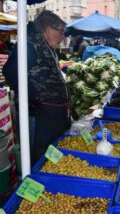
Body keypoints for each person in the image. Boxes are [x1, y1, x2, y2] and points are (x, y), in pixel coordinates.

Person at [3, 10, 71, 164]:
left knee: (50, 156)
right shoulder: (30, 44)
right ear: (47, 29)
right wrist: (33, 96)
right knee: (39, 156)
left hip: (53, 114)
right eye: (61, 32)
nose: (63, 37)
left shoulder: (45, 45)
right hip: (40, 115)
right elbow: (10, 70)